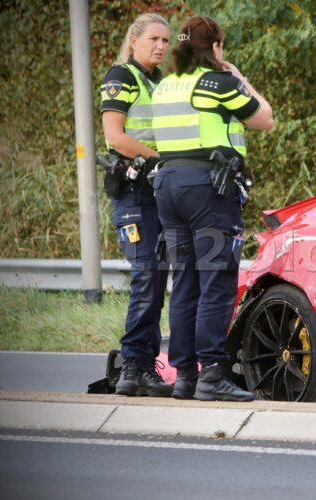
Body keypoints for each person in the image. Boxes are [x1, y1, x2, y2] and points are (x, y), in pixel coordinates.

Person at [151, 16, 273, 401]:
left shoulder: (166, 85)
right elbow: (264, 119)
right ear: (215, 47)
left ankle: (185, 376)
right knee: (216, 282)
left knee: (184, 283)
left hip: (168, 186)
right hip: (208, 189)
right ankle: (212, 375)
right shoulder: (218, 82)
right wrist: (239, 77)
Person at [100, 13, 173, 397]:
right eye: (154, 39)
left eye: (166, 40)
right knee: (147, 274)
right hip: (134, 192)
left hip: (159, 191)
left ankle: (144, 366)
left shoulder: (160, 82)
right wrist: (160, 158)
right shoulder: (121, 77)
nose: (161, 46)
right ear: (134, 40)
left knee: (158, 278)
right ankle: (133, 364)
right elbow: (115, 137)